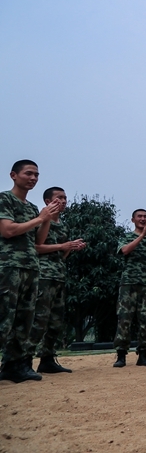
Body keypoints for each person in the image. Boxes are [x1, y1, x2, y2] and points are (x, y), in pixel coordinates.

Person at [0, 160, 60, 383]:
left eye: (36, 174)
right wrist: (40, 218)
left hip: (31, 267)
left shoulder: (32, 208)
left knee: (24, 319)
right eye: (28, 173)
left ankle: (14, 366)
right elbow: (7, 230)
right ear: (13, 175)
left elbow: (39, 241)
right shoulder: (4, 199)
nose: (33, 178)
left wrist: (44, 219)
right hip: (9, 266)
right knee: (4, 317)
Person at [29, 187, 86, 373]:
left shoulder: (63, 225)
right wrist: (63, 245)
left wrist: (71, 247)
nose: (63, 201)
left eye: (65, 198)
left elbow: (61, 256)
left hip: (59, 275)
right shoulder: (39, 219)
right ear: (47, 201)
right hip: (43, 275)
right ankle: (24, 360)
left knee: (56, 321)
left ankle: (47, 359)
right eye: (59, 198)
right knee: (39, 319)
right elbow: (36, 247)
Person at [112, 209, 146, 367]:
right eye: (139, 217)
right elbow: (125, 250)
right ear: (133, 220)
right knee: (124, 319)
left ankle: (143, 354)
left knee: (145, 320)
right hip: (129, 283)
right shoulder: (126, 236)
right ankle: (121, 355)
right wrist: (141, 236)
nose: (143, 219)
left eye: (145, 216)